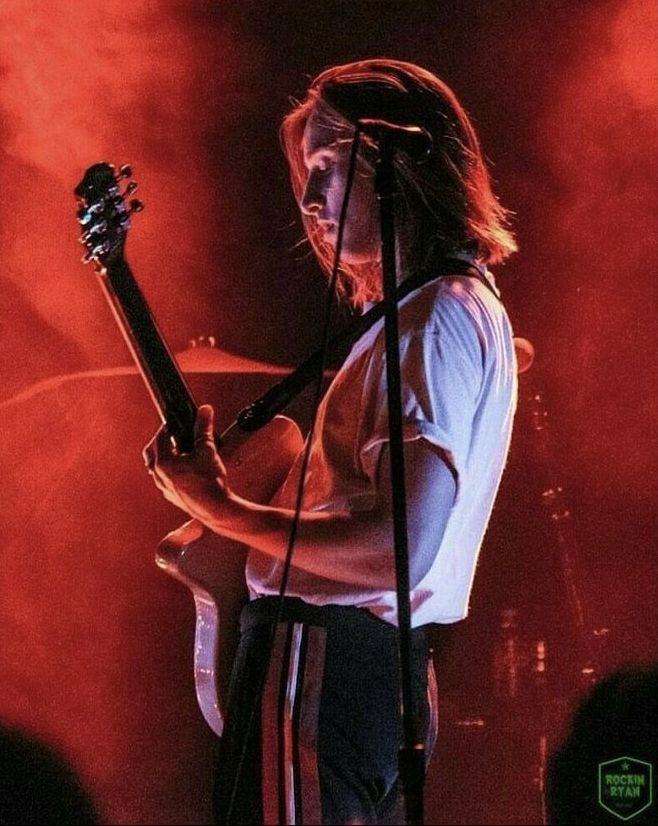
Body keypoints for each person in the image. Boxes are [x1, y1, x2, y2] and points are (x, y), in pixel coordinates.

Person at [144, 58, 518, 825]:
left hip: (327, 662)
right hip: (379, 673)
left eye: (327, 165)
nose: (310, 201)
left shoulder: (434, 319)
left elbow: (397, 545)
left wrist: (223, 509)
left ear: (397, 165)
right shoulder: (445, 309)